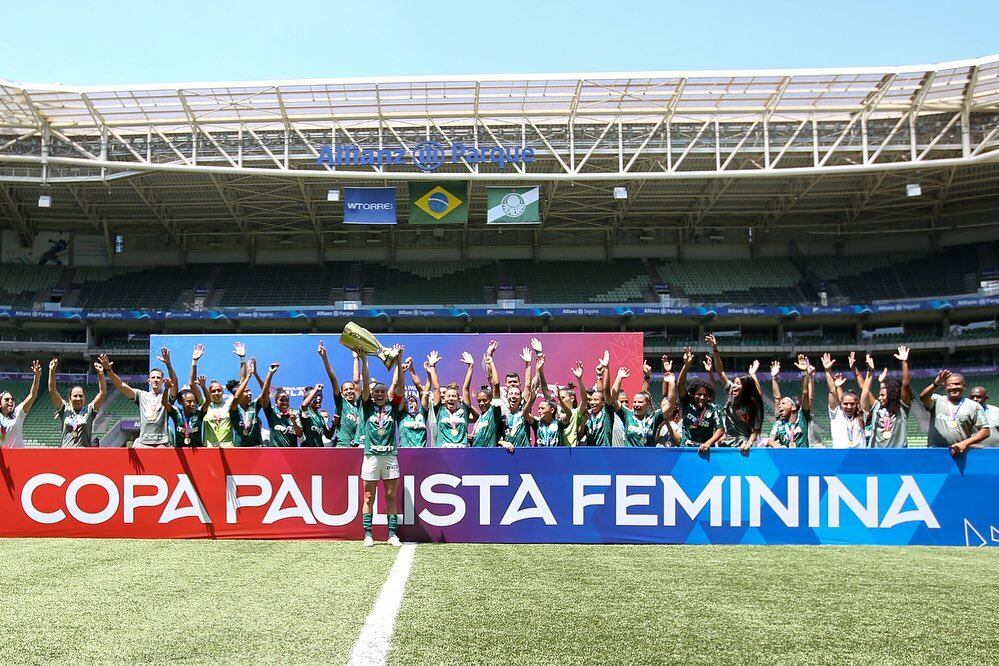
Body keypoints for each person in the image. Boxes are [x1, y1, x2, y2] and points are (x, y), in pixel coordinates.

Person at [358, 344, 406, 548]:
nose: (378, 394)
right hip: (371, 456)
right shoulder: (367, 406)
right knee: (369, 495)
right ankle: (368, 534)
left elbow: (401, 388)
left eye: (382, 391)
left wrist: (399, 362)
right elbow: (366, 383)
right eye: (375, 391)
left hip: (390, 456)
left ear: (386, 394)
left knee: (390, 495)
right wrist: (364, 361)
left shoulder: (393, 406)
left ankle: (392, 534)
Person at [101, 351, 176, 448]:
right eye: (153, 377)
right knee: (135, 444)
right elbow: (121, 385)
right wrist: (108, 369)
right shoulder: (142, 396)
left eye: (158, 377)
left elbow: (174, 382)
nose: (156, 380)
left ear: (163, 380)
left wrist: (168, 364)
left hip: (162, 443)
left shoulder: (167, 396)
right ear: (149, 381)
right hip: (143, 442)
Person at [707, 334, 764, 451]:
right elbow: (720, 371)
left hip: (742, 444)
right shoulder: (731, 393)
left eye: (738, 384)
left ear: (746, 388)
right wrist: (715, 349)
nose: (734, 386)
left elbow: (755, 430)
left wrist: (748, 443)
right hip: (726, 441)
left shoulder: (753, 404)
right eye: (734, 383)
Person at [920, 369, 990, 456]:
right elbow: (923, 397)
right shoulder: (936, 400)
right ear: (945, 387)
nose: (953, 387)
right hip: (935, 452)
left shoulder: (974, 406)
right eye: (950, 385)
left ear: (964, 386)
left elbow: (985, 431)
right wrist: (936, 384)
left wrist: (964, 443)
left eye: (957, 384)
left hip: (960, 453)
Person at [672, 350, 724, 452]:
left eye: (705, 395)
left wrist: (708, 443)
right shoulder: (687, 403)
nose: (702, 397)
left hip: (706, 450)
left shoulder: (713, 408)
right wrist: (686, 365)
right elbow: (680, 385)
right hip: (686, 449)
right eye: (699, 394)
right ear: (693, 394)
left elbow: (720, 430)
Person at [48, 358, 107, 448]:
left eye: (80, 396)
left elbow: (102, 393)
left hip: (84, 456)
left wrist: (101, 374)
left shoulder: (89, 410)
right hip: (65, 455)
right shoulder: (64, 409)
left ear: (84, 398)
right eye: (75, 396)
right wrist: (52, 371)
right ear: (70, 398)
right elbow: (52, 391)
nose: (78, 398)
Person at [860, 347, 912, 448]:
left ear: (892, 395)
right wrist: (870, 371)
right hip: (876, 455)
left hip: (898, 455)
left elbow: (905, 385)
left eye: (882, 395)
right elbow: (865, 390)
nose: (879, 398)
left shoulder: (902, 408)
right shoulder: (877, 406)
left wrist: (904, 362)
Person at [319, 342, 362, 447]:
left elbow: (356, 381)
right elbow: (333, 379)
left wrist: (356, 358)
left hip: (358, 447)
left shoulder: (360, 405)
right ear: (342, 393)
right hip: (342, 446)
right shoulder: (341, 403)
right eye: (346, 390)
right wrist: (325, 358)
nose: (349, 391)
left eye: (351, 389)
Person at [427, 349, 473, 448]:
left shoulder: (464, 411)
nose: (451, 398)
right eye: (448, 396)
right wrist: (432, 367)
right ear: (444, 398)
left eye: (453, 396)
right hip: (443, 453)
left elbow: (466, 389)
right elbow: (436, 388)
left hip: (462, 453)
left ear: (458, 398)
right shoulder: (439, 410)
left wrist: (471, 367)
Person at [611, 365, 664, 447]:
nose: (624, 404)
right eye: (621, 402)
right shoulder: (624, 414)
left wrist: (647, 377)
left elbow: (644, 395)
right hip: (623, 454)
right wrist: (619, 377)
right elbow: (613, 397)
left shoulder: (647, 417)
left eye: (626, 401)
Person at [821, 353, 866, 449]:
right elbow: (832, 392)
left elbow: (865, 391)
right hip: (840, 459)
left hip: (860, 460)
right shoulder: (836, 414)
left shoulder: (861, 416)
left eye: (852, 404)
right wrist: (828, 371)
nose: (849, 407)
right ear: (840, 404)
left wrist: (866, 371)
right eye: (845, 404)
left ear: (857, 404)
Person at [469, 341, 509, 449]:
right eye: (479, 401)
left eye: (484, 400)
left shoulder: (494, 411)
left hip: (489, 456)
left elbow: (495, 384)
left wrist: (491, 361)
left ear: (491, 400)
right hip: (476, 455)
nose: (481, 403)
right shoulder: (480, 417)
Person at [767, 356, 813, 448]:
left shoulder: (802, 417)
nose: (780, 406)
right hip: (786, 461)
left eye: (783, 403)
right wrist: (774, 378)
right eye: (780, 405)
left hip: (803, 459)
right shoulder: (779, 424)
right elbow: (770, 441)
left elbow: (805, 393)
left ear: (793, 407)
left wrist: (804, 373)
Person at [529, 354, 573, 446]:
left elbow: (569, 414)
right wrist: (540, 371)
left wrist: (560, 400)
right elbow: (545, 389)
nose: (540, 410)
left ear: (552, 410)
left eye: (562, 397)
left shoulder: (559, 414)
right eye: (539, 408)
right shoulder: (549, 407)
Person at [230, 361, 277, 447]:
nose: (250, 393)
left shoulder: (254, 405)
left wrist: (269, 374)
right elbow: (236, 398)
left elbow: (265, 393)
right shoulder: (234, 408)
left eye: (249, 391)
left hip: (257, 449)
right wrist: (248, 376)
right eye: (246, 391)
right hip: (240, 450)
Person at [0, 360, 42, 448]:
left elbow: (32, 395)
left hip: (17, 457)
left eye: (12, 399)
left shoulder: (18, 413)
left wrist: (37, 377)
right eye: (6, 400)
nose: (10, 401)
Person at [580, 351, 616, 447]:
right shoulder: (587, 415)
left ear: (603, 403)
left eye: (595, 400)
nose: (592, 402)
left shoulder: (606, 413)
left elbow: (604, 391)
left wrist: (606, 369)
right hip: (591, 455)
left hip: (606, 453)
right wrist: (583, 422)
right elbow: (579, 436)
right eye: (591, 400)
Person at [163, 377, 206, 447]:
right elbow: (164, 402)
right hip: (180, 451)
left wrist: (203, 387)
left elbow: (208, 401)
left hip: (198, 452)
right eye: (189, 401)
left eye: (194, 401)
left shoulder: (198, 414)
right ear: (181, 401)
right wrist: (166, 389)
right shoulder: (176, 413)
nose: (192, 404)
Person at [398, 357, 430, 448]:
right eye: (408, 402)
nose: (410, 403)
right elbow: (400, 391)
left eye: (412, 401)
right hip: (404, 454)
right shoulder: (401, 415)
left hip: (422, 454)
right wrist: (402, 373)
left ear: (418, 404)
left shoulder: (423, 414)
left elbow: (423, 391)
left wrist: (412, 369)